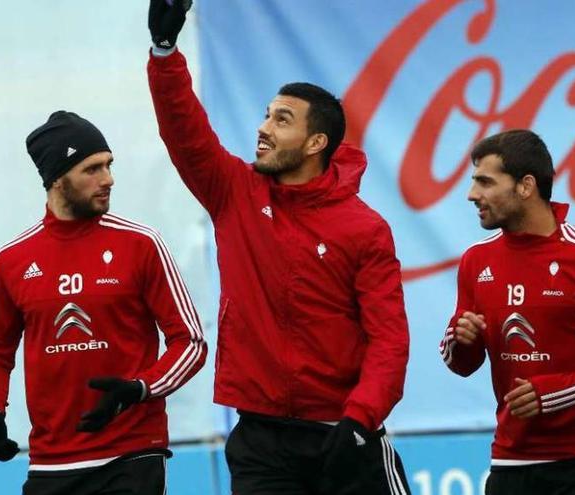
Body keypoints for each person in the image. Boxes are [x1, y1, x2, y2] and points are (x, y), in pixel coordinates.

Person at [145, 2, 412, 494]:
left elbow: (389, 341)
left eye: (281, 120)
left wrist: (360, 418)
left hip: (346, 433)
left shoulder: (364, 228)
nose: (263, 127)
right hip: (261, 443)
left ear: (315, 143)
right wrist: (165, 53)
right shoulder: (234, 193)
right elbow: (185, 133)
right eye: (266, 115)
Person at [0, 110, 207, 495]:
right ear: (57, 179)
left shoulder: (141, 244)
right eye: (92, 169)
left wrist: (139, 388)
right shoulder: (13, 259)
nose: (108, 179)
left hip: (131, 457)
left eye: (109, 165)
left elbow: (191, 343)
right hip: (51, 462)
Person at [440, 129, 575, 495]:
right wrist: (460, 338)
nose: (472, 194)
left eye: (484, 181)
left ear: (526, 186)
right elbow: (461, 364)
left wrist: (552, 394)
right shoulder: (476, 260)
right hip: (511, 458)